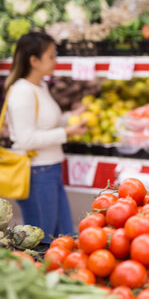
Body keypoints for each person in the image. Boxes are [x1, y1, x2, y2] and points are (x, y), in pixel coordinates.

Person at [3, 32, 87, 241]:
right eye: (51, 56)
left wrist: (70, 118)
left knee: (63, 236)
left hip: (50, 170)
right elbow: (25, 139)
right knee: (43, 239)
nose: (55, 61)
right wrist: (67, 132)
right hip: (37, 173)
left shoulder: (40, 86)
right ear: (34, 60)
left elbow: (46, 123)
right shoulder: (22, 91)